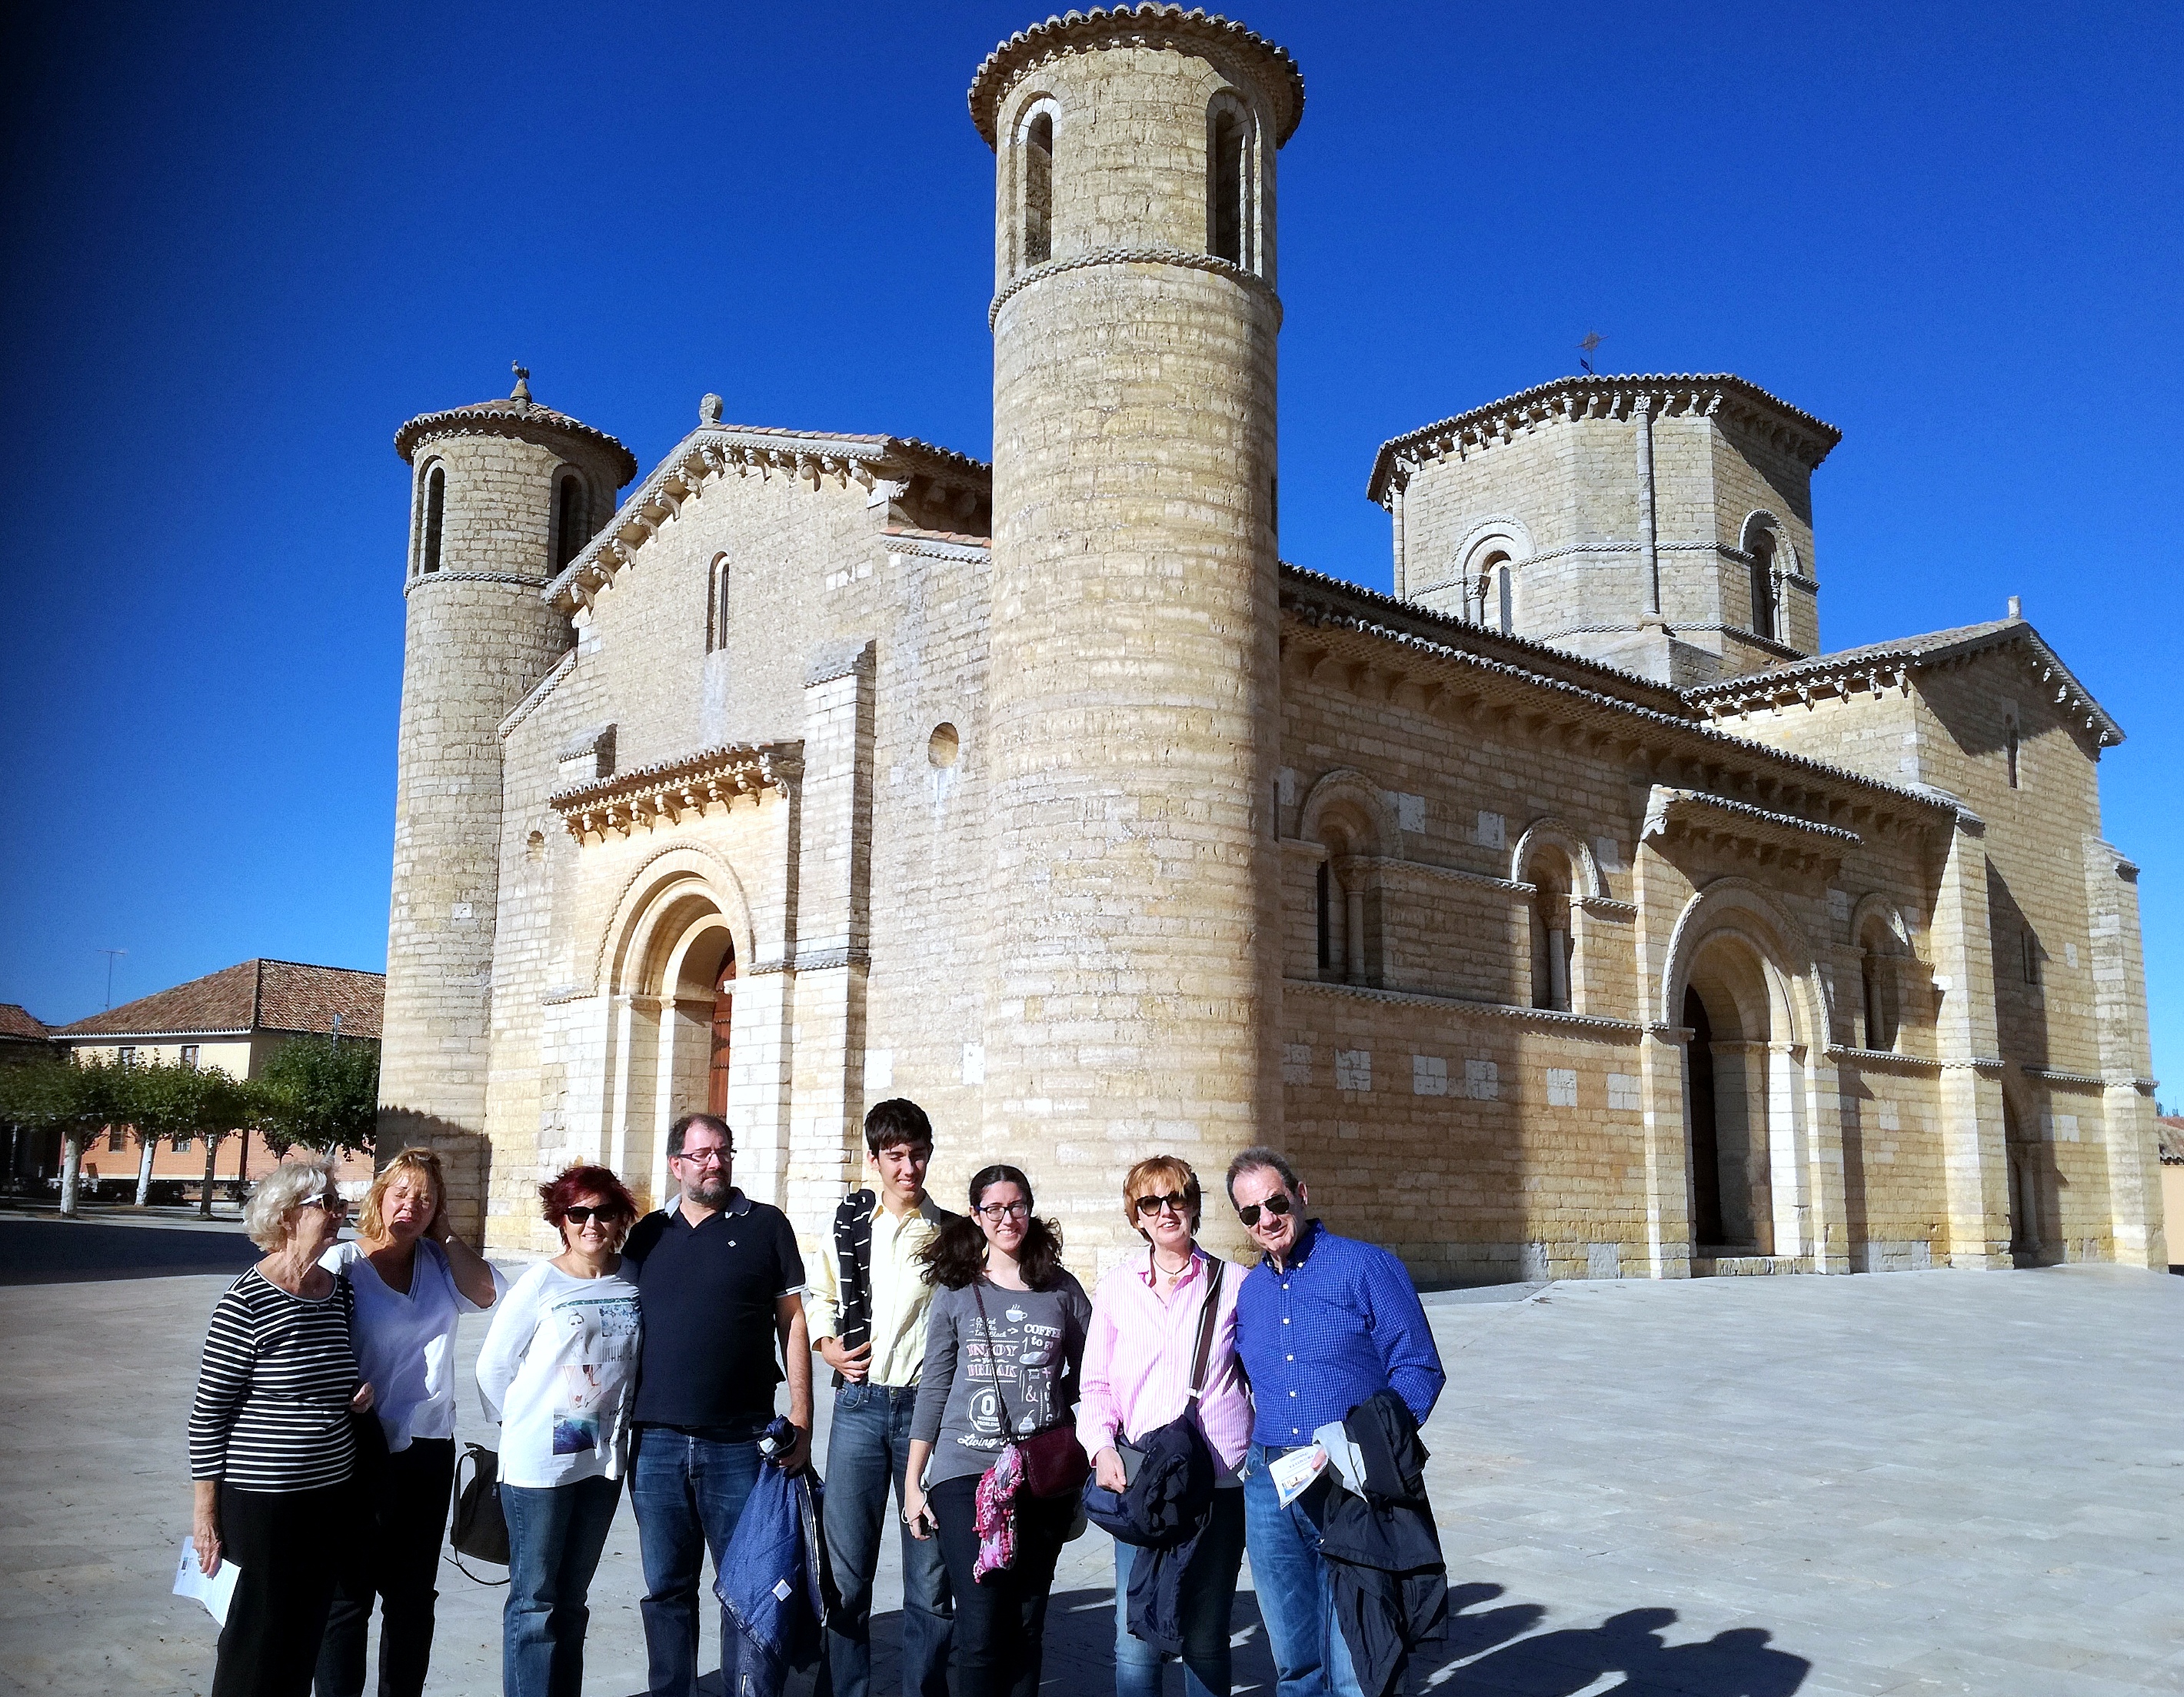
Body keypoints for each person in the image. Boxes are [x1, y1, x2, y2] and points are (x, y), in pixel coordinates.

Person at [1226, 1148, 1446, 1697]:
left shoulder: (1366, 1266)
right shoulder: (1250, 1291)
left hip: (1351, 1480)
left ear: (1301, 1195)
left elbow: (1418, 1366)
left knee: (1360, 1663)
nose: (1267, 1219)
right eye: (1251, 1213)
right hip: (1272, 1485)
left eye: (1276, 1203)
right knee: (1294, 1662)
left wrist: (1363, 1445)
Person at [622, 1113, 812, 1697]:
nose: (715, 1162)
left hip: (740, 1442)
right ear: (675, 1164)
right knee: (666, 1589)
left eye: (723, 1151)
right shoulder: (647, 1234)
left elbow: (793, 1321)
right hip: (655, 1444)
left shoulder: (766, 1225)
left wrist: (802, 1417)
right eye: (702, 1154)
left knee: (746, 1585)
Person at [315, 1146, 502, 1697]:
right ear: (379, 1196)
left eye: (425, 1198)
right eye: (401, 1193)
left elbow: (488, 1293)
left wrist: (445, 1234)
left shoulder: (440, 1265)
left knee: (413, 1595)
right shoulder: (345, 1264)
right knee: (347, 1597)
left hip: (428, 1446)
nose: (411, 1205)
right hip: (358, 1447)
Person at [188, 1155, 374, 1697]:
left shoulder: (338, 1290)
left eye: (340, 1203)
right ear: (288, 1215)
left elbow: (329, 1372)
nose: (339, 1213)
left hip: (330, 1495)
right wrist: (205, 1514)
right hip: (263, 1501)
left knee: (305, 1633)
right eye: (326, 1204)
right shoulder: (245, 1301)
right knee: (255, 1639)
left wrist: (356, 1397)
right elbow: (209, 1413)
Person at [904, 1165, 1091, 1697]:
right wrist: (914, 1481)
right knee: (982, 1626)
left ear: (1029, 1210)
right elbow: (935, 1386)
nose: (1007, 1219)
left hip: (1040, 1475)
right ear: (975, 1215)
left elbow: (1096, 1371)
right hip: (965, 1470)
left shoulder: (1060, 1289)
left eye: (1017, 1207)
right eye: (994, 1209)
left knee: (1027, 1625)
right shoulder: (957, 1291)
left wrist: (1058, 1408)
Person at [1079, 1156, 1250, 1697]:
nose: (1165, 1211)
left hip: (1217, 1483)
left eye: (1176, 1198)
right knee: (1135, 1643)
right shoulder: (1117, 1287)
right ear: (1137, 1216)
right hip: (1145, 1484)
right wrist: (1101, 1448)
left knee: (1206, 1637)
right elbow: (1096, 1384)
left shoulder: (1235, 1283)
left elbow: (1264, 1374)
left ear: (1194, 1205)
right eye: (1150, 1203)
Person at [807, 1099, 957, 1697]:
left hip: (925, 1412)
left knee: (931, 1578)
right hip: (859, 1406)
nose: (908, 1167)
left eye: (918, 1154)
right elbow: (820, 1292)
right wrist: (827, 1346)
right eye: (895, 1155)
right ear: (873, 1159)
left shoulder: (950, 1233)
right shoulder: (849, 1223)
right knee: (845, 1574)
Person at [477, 1163, 644, 1697]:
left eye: (604, 1212)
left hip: (602, 1459)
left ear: (620, 1218)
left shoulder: (634, 1276)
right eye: (578, 1213)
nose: (591, 1223)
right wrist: (520, 1427)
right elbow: (493, 1367)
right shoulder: (541, 1281)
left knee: (572, 1600)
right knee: (535, 1602)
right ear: (561, 1220)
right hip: (541, 1465)